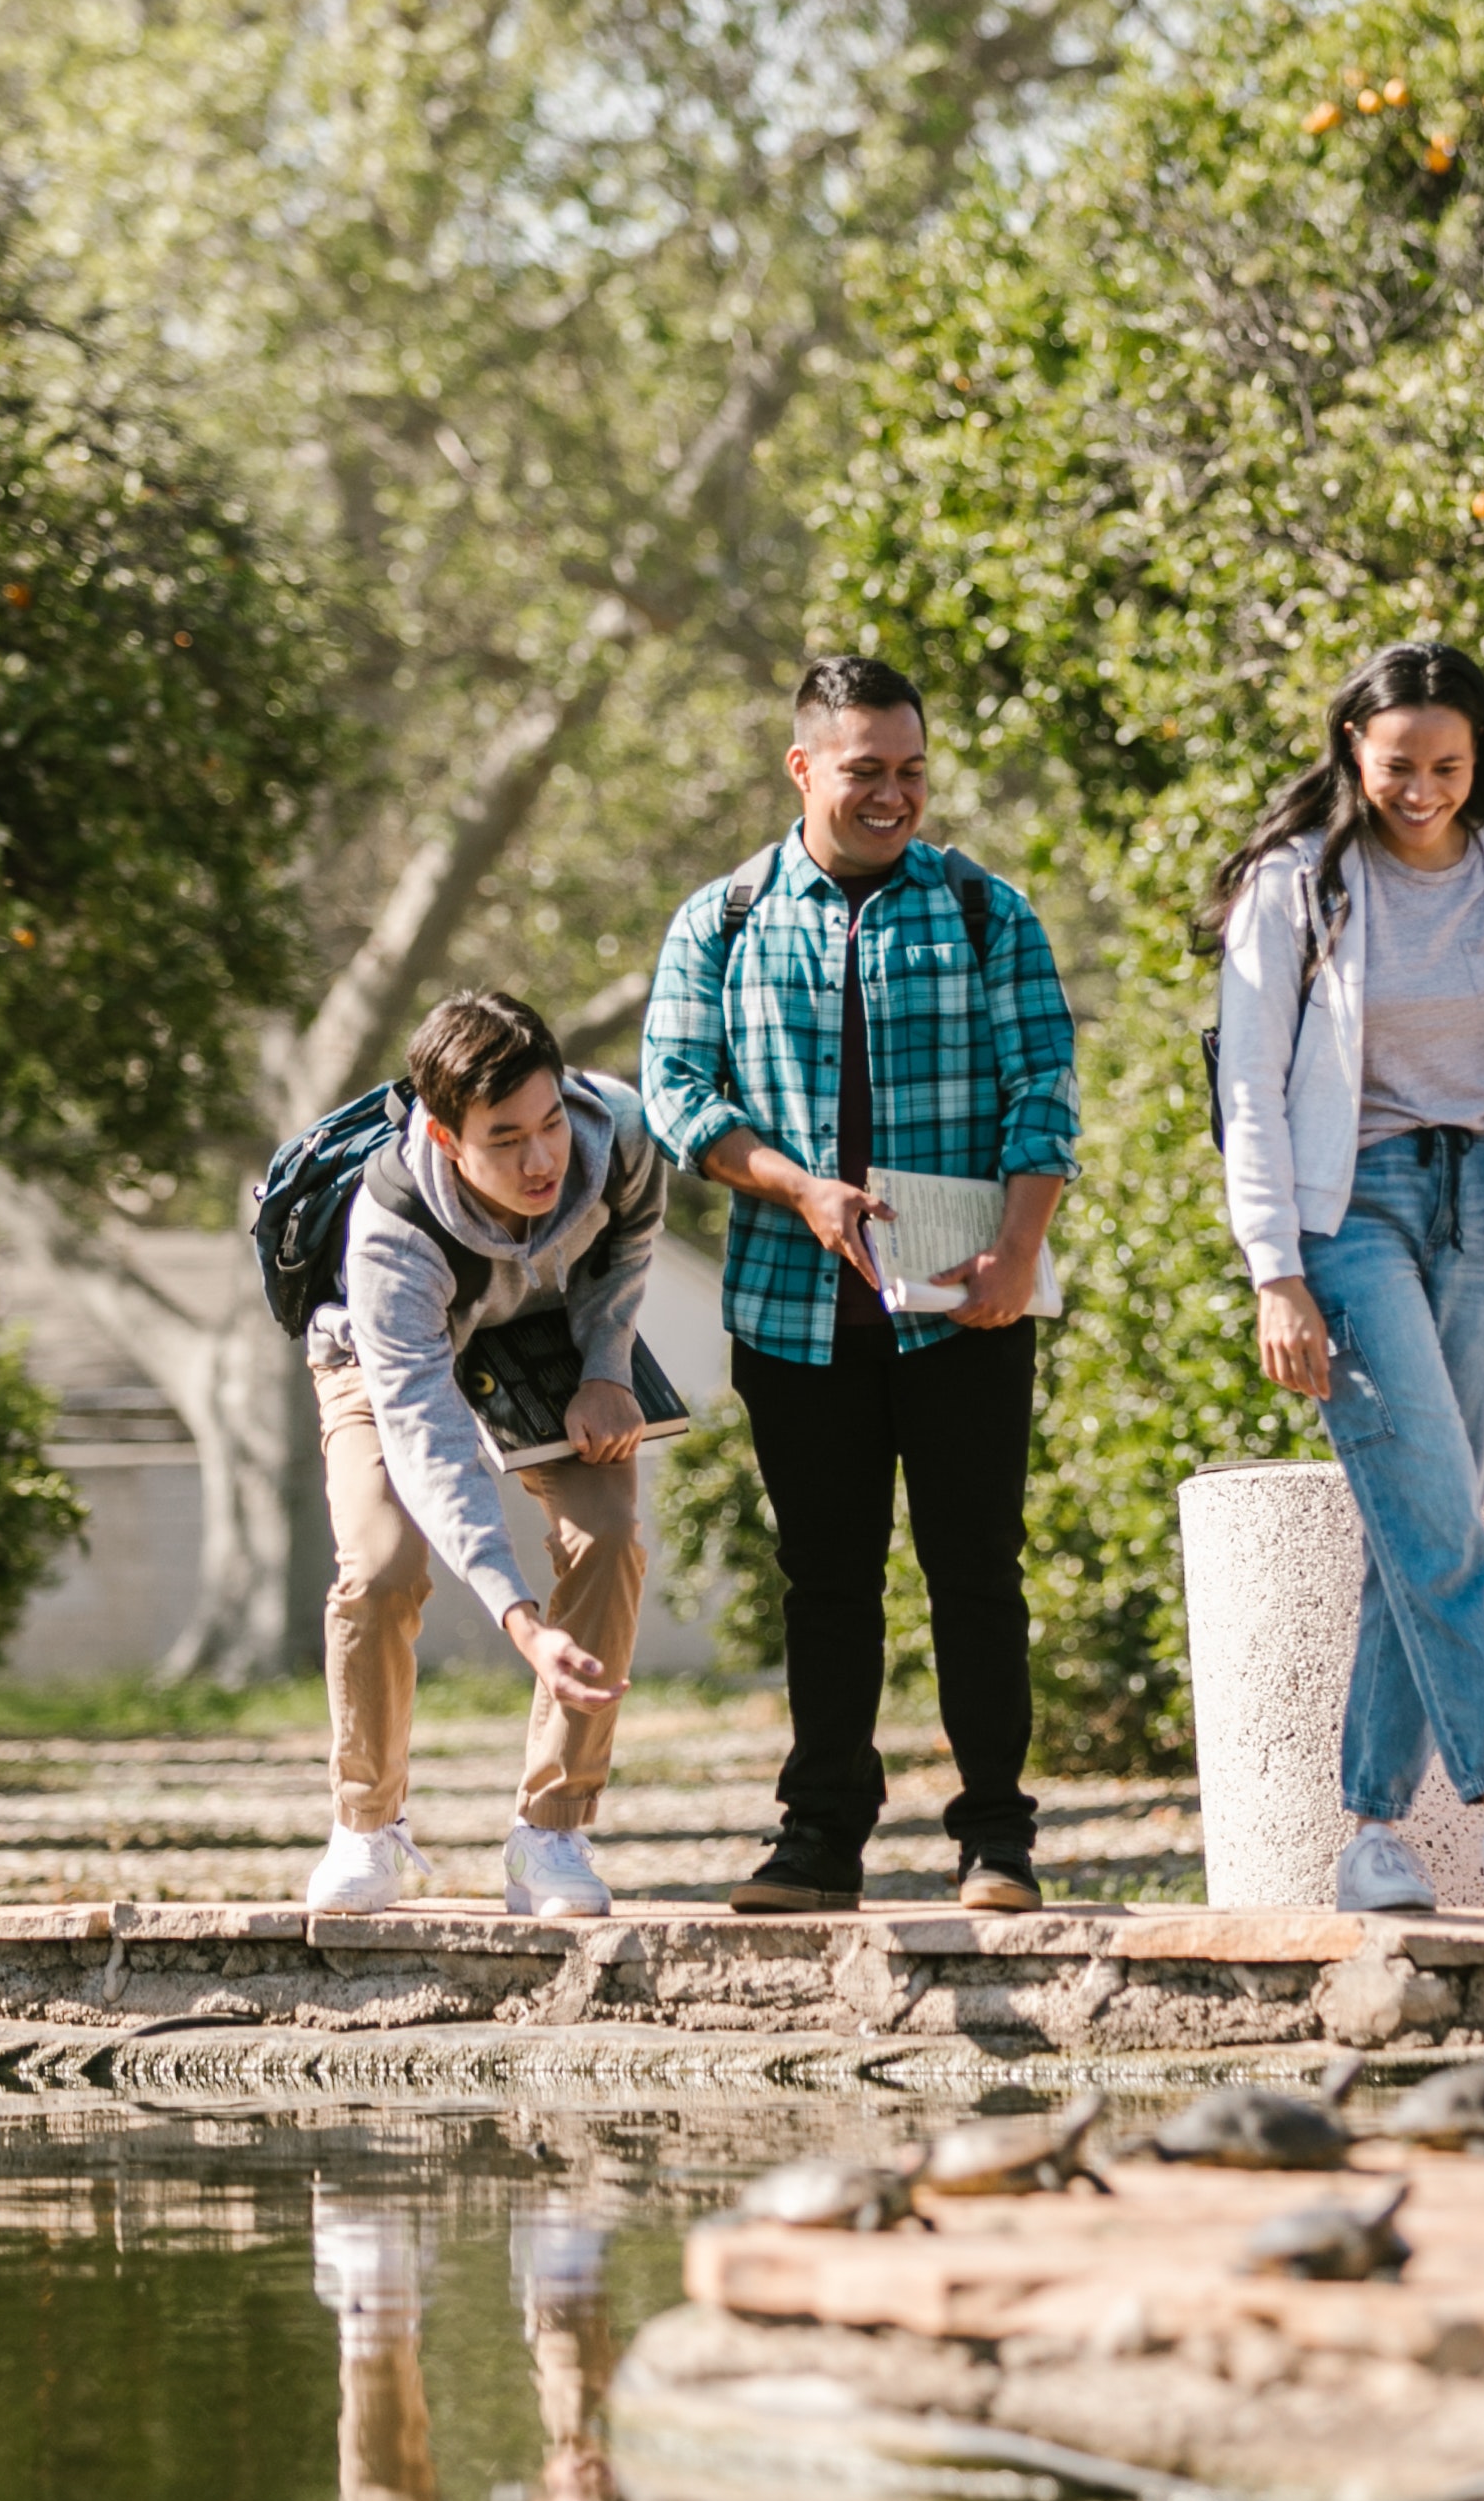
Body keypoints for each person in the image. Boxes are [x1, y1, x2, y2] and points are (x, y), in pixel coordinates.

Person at [643, 653, 1079, 1915]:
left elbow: (1041, 1093)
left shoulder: (986, 910)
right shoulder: (718, 921)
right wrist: (799, 1190)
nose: (892, 795)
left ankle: (995, 1841)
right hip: (791, 1312)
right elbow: (678, 1098)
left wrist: (1012, 1254)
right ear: (802, 769)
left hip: (965, 1311)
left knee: (973, 1571)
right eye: (863, 772)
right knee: (825, 1580)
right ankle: (818, 1839)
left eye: (910, 771)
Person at [1208, 640, 1484, 1914]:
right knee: (1436, 1516)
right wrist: (1274, 1272)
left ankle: (1370, 1834)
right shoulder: (1296, 884)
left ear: (1479, 762)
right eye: (1394, 767)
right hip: (1351, 1211)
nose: (1419, 788)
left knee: (1420, 1522)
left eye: (1445, 765)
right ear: (1349, 755)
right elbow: (1250, 1093)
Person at [301, 989, 663, 1919]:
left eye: (549, 1123)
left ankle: (552, 1830)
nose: (542, 1159)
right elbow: (427, 1443)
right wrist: (521, 1621)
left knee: (610, 1533)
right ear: (447, 1135)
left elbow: (627, 1249)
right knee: (381, 1566)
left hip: (543, 1332)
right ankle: (366, 1823)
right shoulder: (393, 1232)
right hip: (388, 1352)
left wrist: (607, 1363)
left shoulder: (619, 1131)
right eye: (505, 1138)